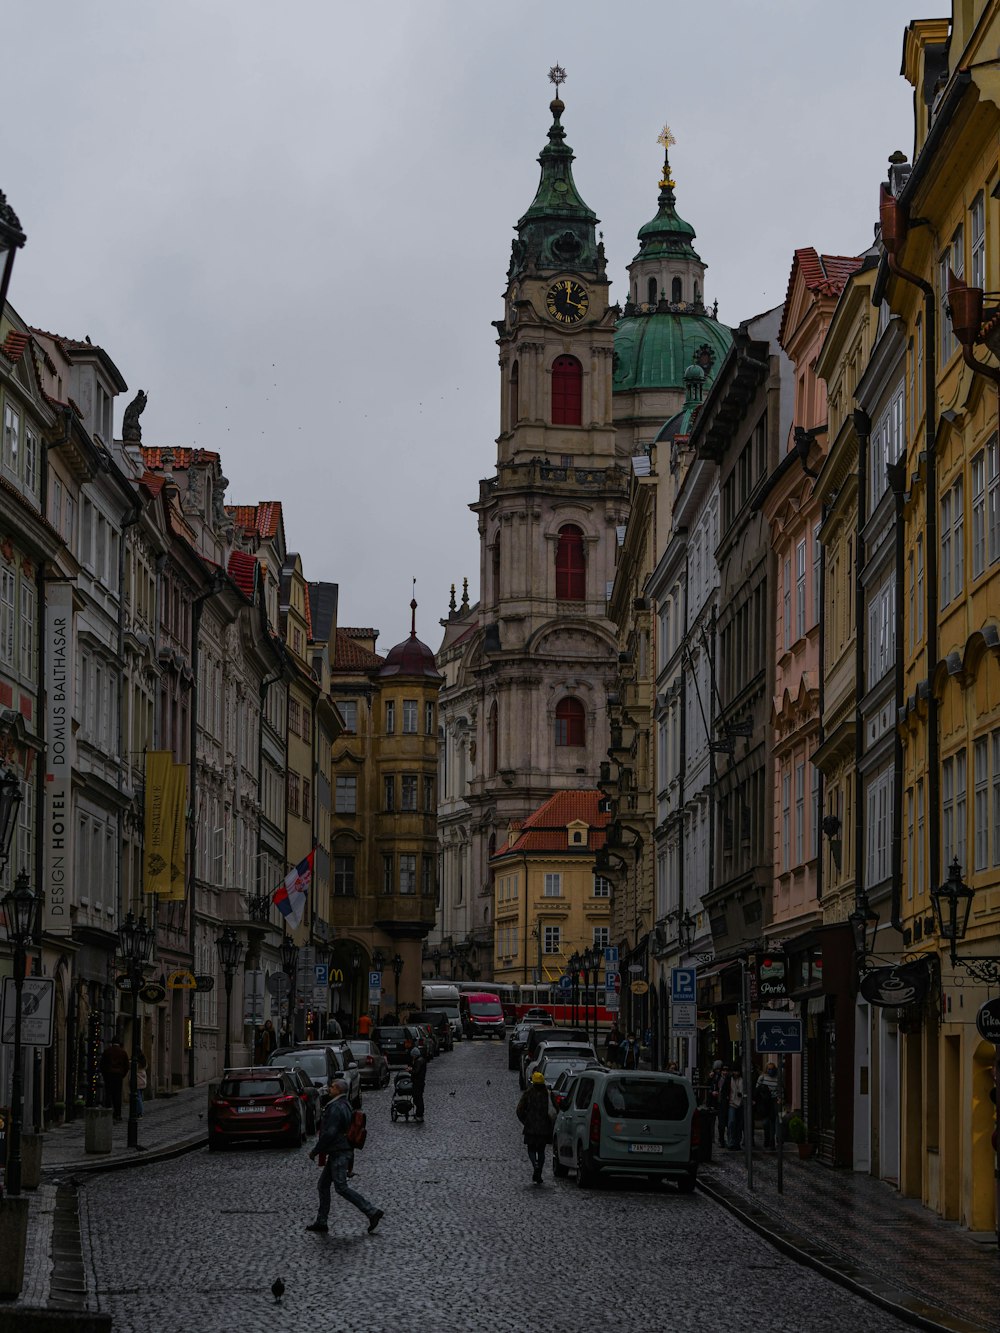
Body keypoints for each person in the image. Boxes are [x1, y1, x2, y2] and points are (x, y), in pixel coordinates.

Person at [306, 1078, 384, 1235]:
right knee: (323, 1185)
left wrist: (316, 1150)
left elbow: (330, 1133)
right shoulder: (345, 1104)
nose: (329, 1088)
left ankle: (371, 1211)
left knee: (341, 1187)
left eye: (332, 1087)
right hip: (339, 1151)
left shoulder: (336, 1107)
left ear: (339, 1090)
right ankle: (321, 1221)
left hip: (338, 1152)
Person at [516, 1070, 554, 1184]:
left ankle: (535, 1165)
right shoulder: (547, 1094)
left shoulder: (528, 1093)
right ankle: (539, 1170)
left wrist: (525, 1121)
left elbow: (519, 1110)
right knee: (541, 1151)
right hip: (544, 1128)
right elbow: (555, 1110)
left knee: (531, 1149)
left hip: (531, 1127)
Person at [99, 1039, 130, 1122]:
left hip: (109, 1074)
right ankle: (117, 1114)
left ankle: (108, 1112)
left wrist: (105, 1074)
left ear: (112, 1043)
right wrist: (122, 1074)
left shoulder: (107, 1051)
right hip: (118, 1075)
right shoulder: (123, 1052)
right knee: (117, 1095)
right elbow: (127, 1065)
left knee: (108, 1093)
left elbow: (102, 1064)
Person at [754, 1062, 779, 1150]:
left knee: (773, 1122)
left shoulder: (777, 1078)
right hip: (764, 1102)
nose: (770, 1071)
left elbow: (781, 1089)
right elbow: (757, 1089)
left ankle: (772, 1141)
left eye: (772, 1069)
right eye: (769, 1069)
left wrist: (780, 1099)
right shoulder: (762, 1077)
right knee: (765, 1123)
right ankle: (766, 1138)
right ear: (766, 1069)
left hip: (774, 1101)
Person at [727, 1070, 745, 1150]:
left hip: (741, 1104)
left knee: (739, 1124)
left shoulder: (742, 1080)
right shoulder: (729, 1079)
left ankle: (737, 1143)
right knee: (731, 1122)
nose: (736, 1073)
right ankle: (731, 1142)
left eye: (738, 1071)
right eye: (735, 1071)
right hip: (731, 1103)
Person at [409, 1044, 427, 1122]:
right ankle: (419, 1113)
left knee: (417, 1098)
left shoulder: (418, 1061)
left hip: (418, 1083)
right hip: (420, 1082)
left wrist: (410, 1070)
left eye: (412, 1056)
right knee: (418, 1098)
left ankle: (419, 1114)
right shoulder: (421, 1060)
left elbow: (416, 1072)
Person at [135, 1050, 147, 1117]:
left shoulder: (137, 1062)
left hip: (138, 1082)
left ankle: (139, 1112)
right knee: (140, 1098)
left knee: (138, 1098)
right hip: (143, 1081)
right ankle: (138, 1111)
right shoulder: (144, 1060)